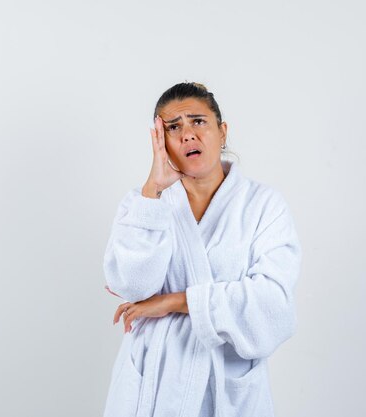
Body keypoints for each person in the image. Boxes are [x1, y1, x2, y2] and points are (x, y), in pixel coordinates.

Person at [102, 82, 302, 417]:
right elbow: (133, 286)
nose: (187, 135)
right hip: (153, 383)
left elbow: (274, 306)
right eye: (173, 128)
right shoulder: (143, 204)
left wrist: (176, 301)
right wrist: (152, 190)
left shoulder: (263, 206)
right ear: (161, 142)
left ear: (222, 132)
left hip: (225, 386)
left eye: (198, 122)